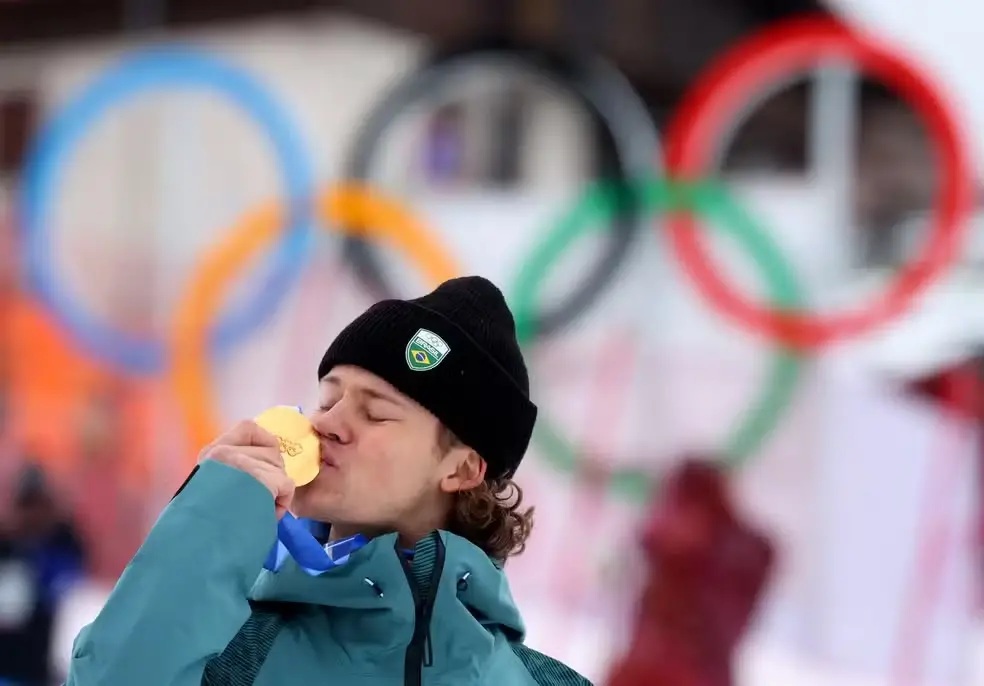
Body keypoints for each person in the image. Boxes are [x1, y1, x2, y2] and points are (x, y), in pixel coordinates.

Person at [65, 276, 592, 686]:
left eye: (375, 412)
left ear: (461, 469)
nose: (326, 423)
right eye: (327, 399)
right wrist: (210, 521)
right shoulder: (232, 652)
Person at [0, 463, 87, 686]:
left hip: (41, 669)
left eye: (39, 505)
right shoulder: (7, 549)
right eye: (27, 506)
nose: (33, 514)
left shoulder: (63, 546)